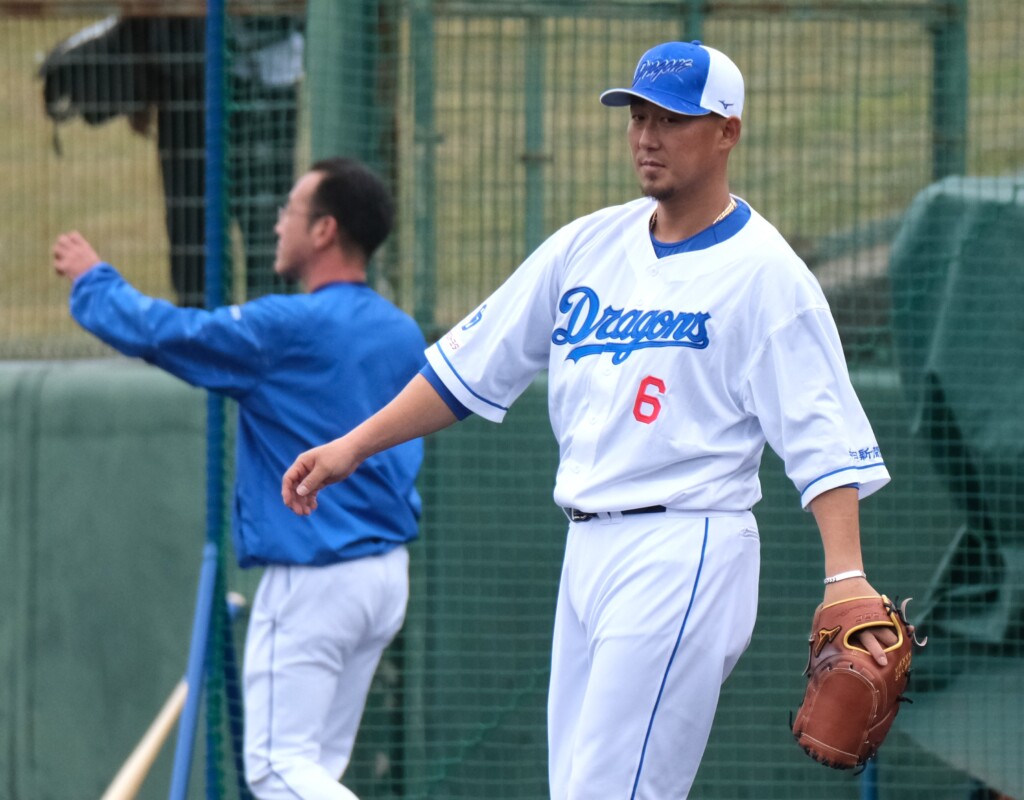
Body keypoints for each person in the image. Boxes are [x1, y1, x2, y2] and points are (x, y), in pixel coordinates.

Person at [282, 42, 895, 799]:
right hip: (587, 547)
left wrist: (846, 576)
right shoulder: (588, 245)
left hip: (685, 543)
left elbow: (822, 437)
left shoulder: (767, 276)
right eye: (638, 116)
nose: (646, 136)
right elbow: (466, 367)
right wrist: (352, 447)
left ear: (728, 130)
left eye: (671, 119)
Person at [53, 157, 424, 800]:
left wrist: (94, 282)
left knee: (276, 769)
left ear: (324, 231)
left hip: (314, 578)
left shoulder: (287, 327)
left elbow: (170, 334)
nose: (279, 222)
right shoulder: (400, 329)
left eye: (291, 210)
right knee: (310, 775)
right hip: (384, 580)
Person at [40, 13, 304, 307]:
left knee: (267, 234)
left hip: (263, 88)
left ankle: (269, 341)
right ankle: (201, 342)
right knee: (194, 238)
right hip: (188, 88)